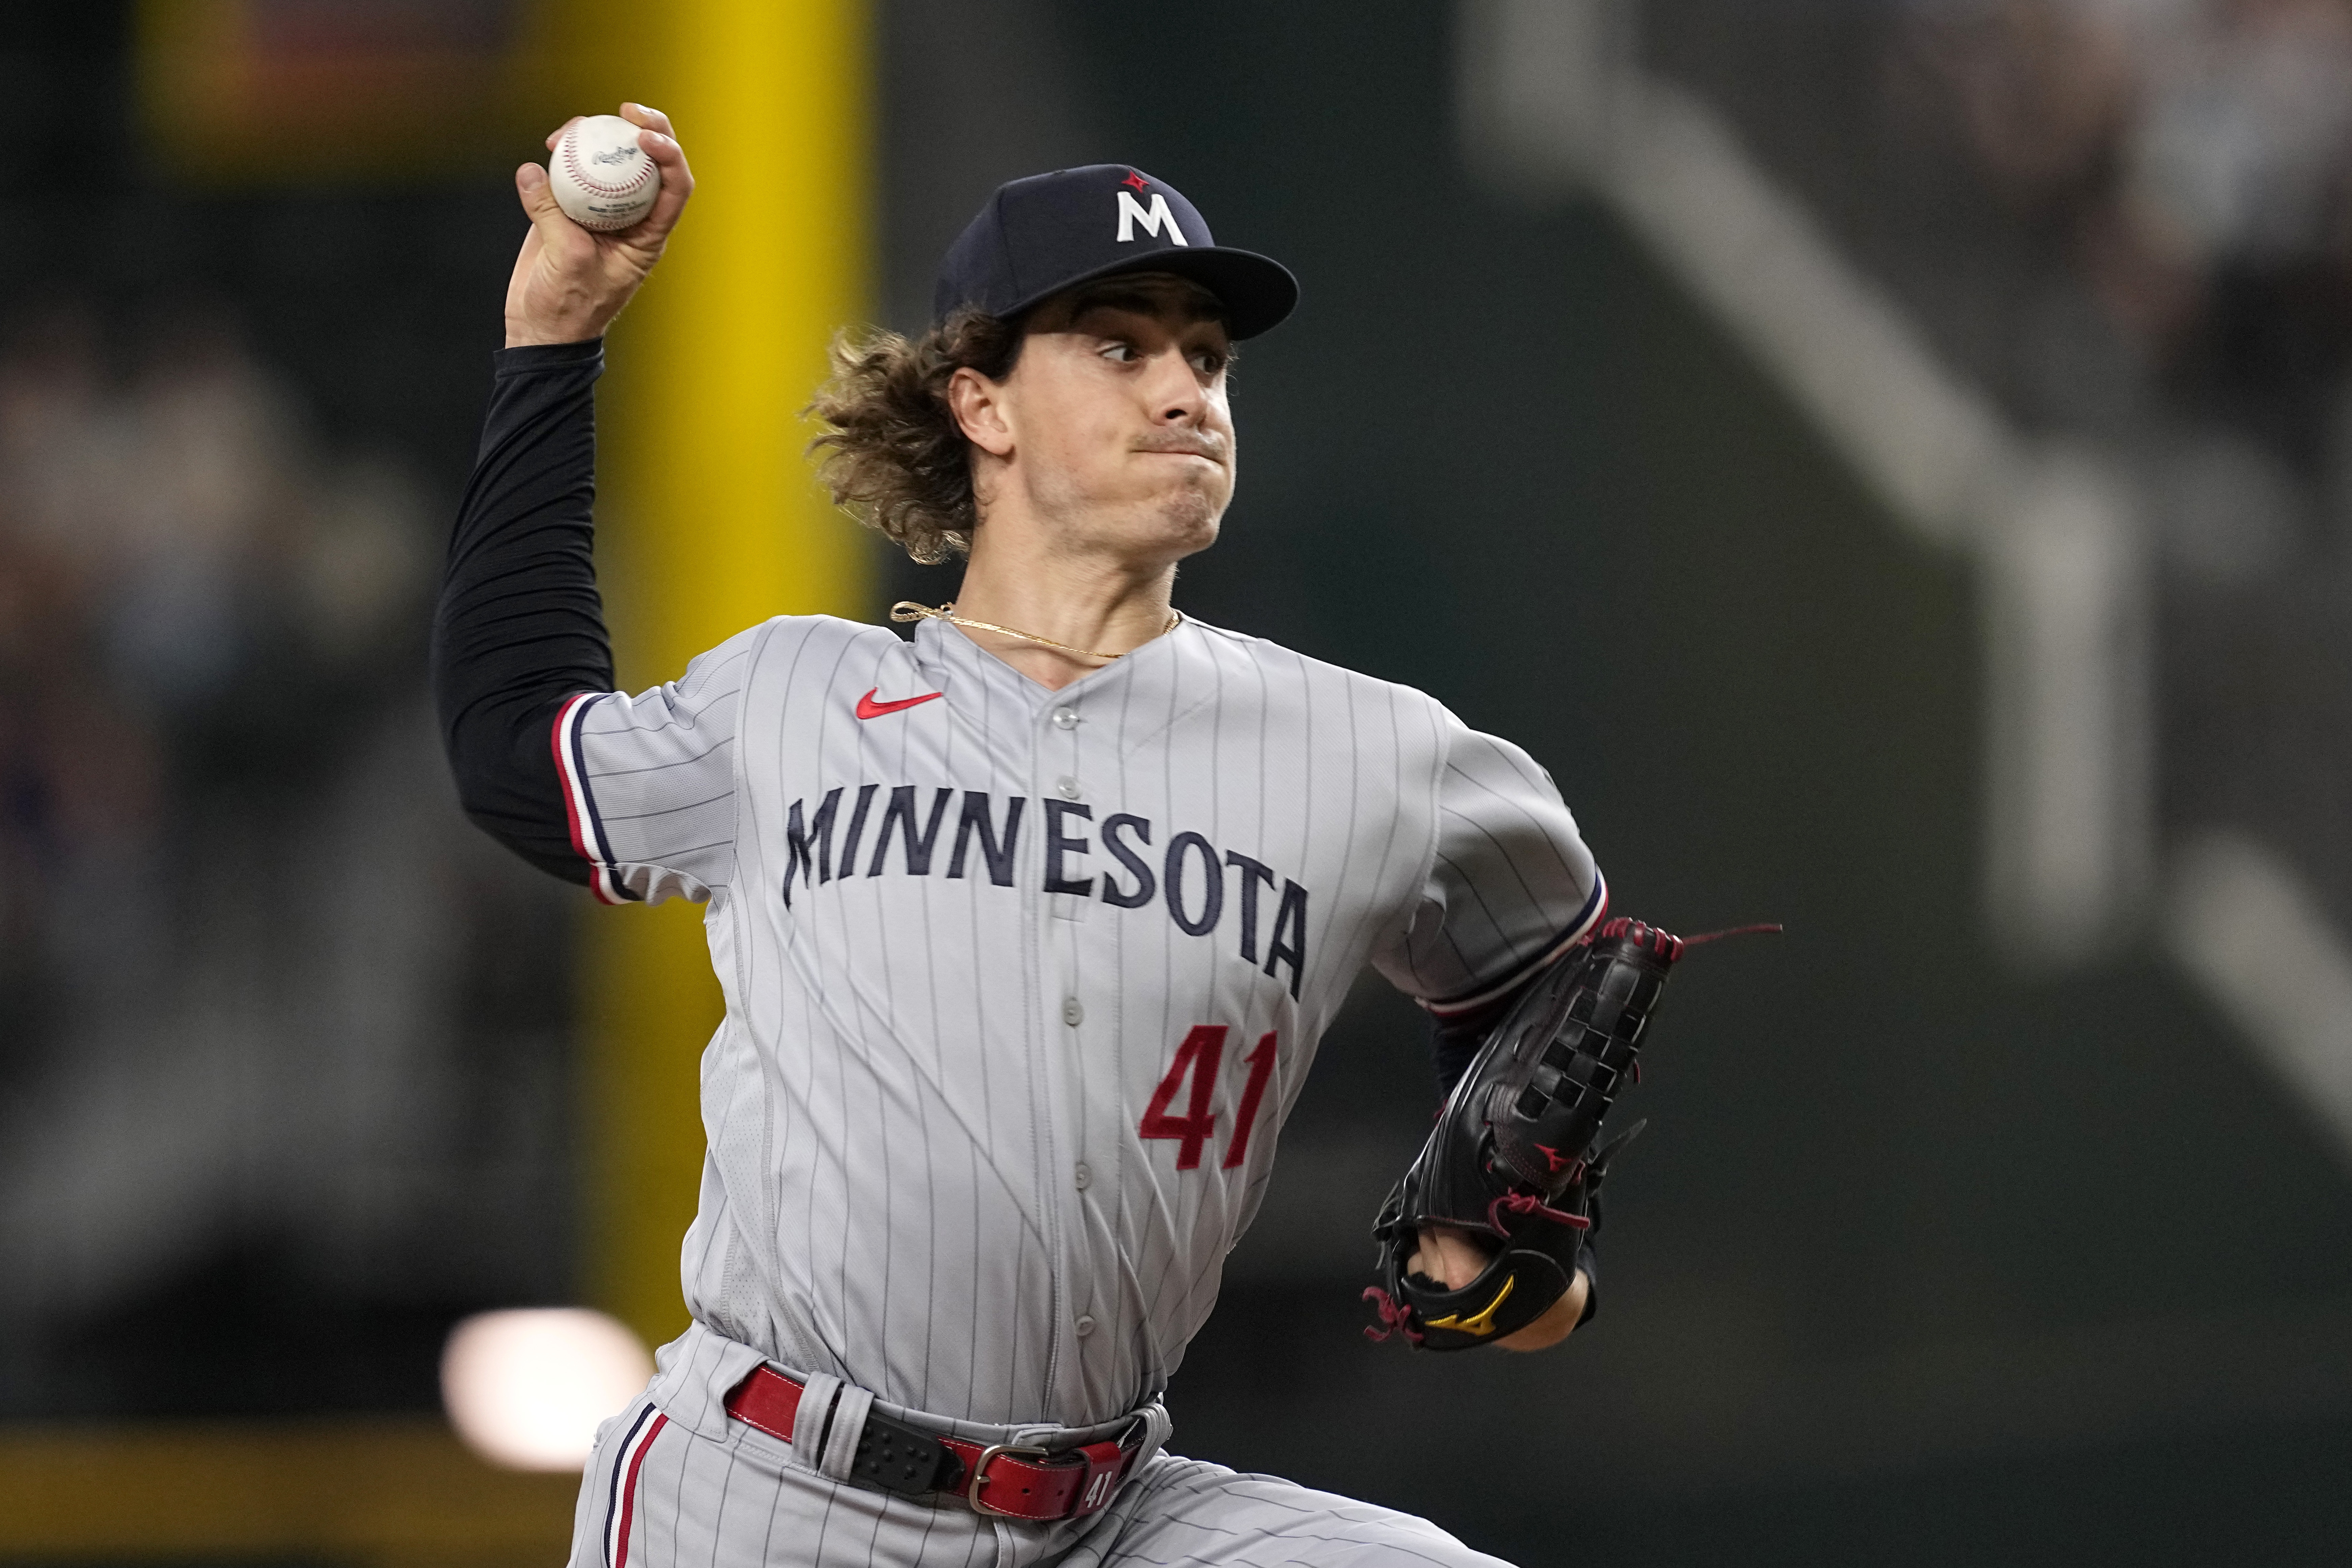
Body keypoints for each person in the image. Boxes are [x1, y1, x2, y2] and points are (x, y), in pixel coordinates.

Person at [435, 104, 1607, 1567]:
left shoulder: (1374, 753)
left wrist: (1515, 1219)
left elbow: (1552, 960)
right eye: (1120, 345)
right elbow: (514, 746)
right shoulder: (787, 696)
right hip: (765, 1494)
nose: (1185, 389)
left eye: (1207, 355)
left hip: (1113, 1510)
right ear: (977, 403)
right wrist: (552, 340)